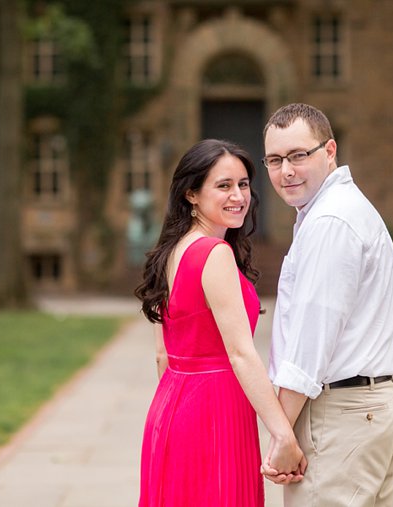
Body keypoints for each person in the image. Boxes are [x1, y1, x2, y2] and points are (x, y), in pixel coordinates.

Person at [135, 139, 306, 506]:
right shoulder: (213, 254)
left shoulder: (169, 252)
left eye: (243, 184)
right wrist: (283, 435)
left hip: (171, 407)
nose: (238, 196)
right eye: (224, 185)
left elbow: (162, 357)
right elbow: (241, 353)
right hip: (215, 412)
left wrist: (177, 412)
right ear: (191, 194)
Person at [260, 103, 393, 506]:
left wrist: (281, 435)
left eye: (297, 155)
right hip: (369, 410)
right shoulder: (338, 210)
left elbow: (310, 344)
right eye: (274, 160)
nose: (285, 170)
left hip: (342, 415)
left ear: (329, 151)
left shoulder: (330, 222)